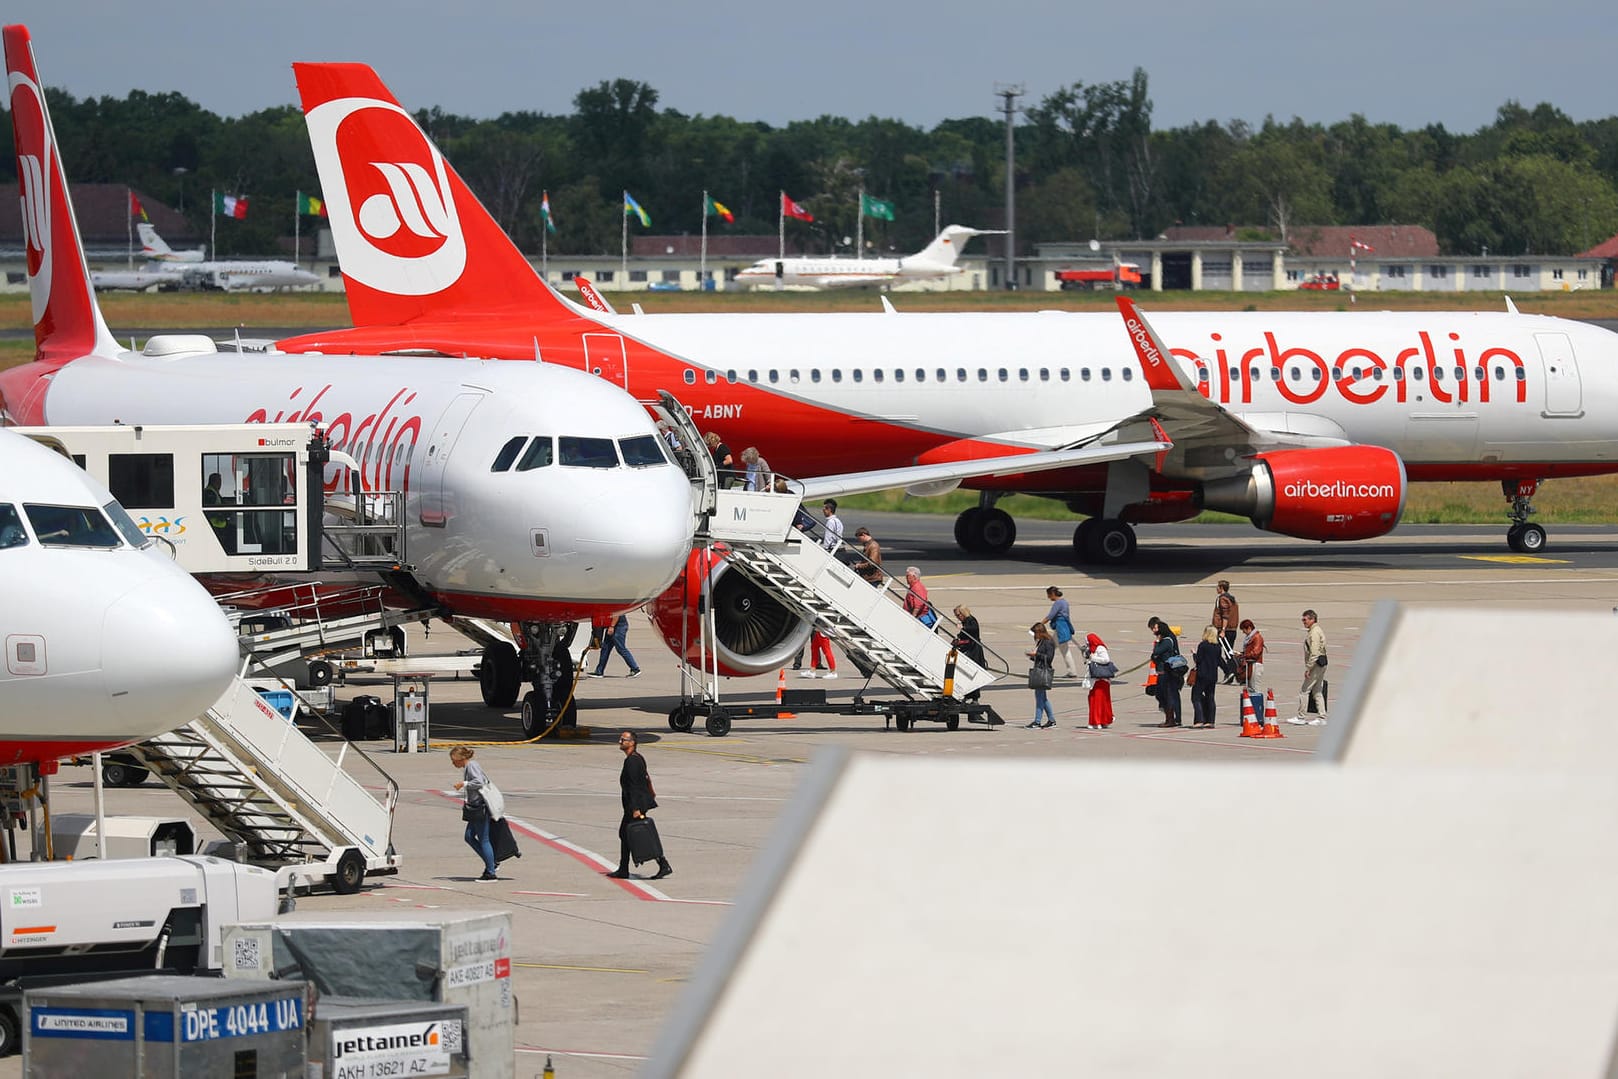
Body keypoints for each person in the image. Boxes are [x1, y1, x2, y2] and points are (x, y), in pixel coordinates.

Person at [606, 730, 672, 880]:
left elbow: (635, 785)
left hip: (635, 806)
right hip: (635, 804)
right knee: (627, 834)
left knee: (635, 834)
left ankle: (662, 864)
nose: (620, 742)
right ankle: (626, 868)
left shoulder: (632, 761)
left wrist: (636, 808)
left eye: (623, 739)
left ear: (632, 742)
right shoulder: (636, 758)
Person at [450, 746, 499, 882]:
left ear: (461, 758)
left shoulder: (471, 766)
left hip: (480, 807)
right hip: (474, 807)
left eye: (454, 760)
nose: (453, 763)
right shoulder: (469, 767)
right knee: (469, 836)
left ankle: (491, 871)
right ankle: (491, 863)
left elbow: (479, 782)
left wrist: (464, 784)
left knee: (484, 839)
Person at [1288, 609, 1328, 725]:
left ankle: (1301, 717)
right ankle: (1322, 717)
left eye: (1305, 620)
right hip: (1322, 663)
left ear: (1312, 619)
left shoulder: (1314, 632)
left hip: (1316, 664)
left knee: (1304, 691)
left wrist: (1308, 668)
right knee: (1317, 691)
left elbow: (1314, 652)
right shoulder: (1316, 630)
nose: (1303, 622)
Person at [1149, 616, 1184, 728]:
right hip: (1166, 671)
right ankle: (1172, 717)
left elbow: (1156, 652)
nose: (1155, 632)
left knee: (1168, 695)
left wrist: (1158, 642)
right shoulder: (1169, 639)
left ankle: (1172, 718)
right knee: (1169, 695)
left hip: (1167, 672)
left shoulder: (1166, 641)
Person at [589, 613, 642, 678]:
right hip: (612, 627)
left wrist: (612, 626)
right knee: (605, 648)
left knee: (621, 649)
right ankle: (599, 671)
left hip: (618, 627)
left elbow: (616, 614)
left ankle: (635, 669)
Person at [952, 605, 986, 704]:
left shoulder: (971, 620)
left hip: (974, 650)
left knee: (972, 673)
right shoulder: (966, 621)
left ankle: (974, 697)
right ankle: (966, 695)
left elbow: (973, 629)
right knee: (965, 674)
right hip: (969, 648)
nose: (957, 617)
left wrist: (963, 627)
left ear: (963, 613)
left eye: (958, 615)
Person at [1191, 626, 1223, 728]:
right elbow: (1219, 661)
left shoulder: (1203, 645)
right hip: (1213, 675)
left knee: (1196, 697)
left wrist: (1194, 654)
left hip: (1202, 675)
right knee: (1210, 697)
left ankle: (1199, 719)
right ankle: (1210, 720)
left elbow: (1199, 660)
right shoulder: (1217, 647)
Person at [1026, 622, 1056, 729]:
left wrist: (1036, 655)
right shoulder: (1042, 641)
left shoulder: (1048, 642)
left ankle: (1037, 721)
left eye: (1035, 633)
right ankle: (1051, 720)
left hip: (1043, 671)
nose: (1034, 636)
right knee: (1042, 697)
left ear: (1039, 632)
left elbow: (1049, 658)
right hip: (1039, 669)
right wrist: (1032, 656)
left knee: (1039, 697)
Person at [1044, 586, 1078, 678]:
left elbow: (1050, 616)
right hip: (1063, 627)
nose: (1048, 597)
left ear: (1053, 594)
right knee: (1050, 646)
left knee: (1064, 650)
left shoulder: (1058, 603)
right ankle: (1043, 663)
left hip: (1060, 629)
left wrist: (1040, 624)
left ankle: (1072, 672)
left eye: (1049, 595)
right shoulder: (1064, 602)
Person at [1084, 632, 1115, 730]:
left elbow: (1106, 659)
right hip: (1095, 679)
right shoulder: (1091, 649)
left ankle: (1099, 721)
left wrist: (1093, 658)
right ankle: (1098, 720)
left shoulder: (1100, 648)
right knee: (1093, 700)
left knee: (1100, 701)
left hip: (1102, 679)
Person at [1211, 580, 1240, 683]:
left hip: (1224, 630)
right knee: (1229, 652)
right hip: (1232, 629)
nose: (1216, 589)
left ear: (1221, 588)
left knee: (1217, 652)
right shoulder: (1232, 599)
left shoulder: (1222, 599)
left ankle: (1229, 671)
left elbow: (1225, 615)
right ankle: (1231, 673)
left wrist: (1222, 630)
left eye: (1217, 587)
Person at [1236, 618, 1265, 697]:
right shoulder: (1250, 637)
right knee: (1250, 688)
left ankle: (1257, 707)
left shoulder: (1257, 637)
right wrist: (1241, 654)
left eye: (1244, 630)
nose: (1243, 632)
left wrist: (1243, 655)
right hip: (1250, 664)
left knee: (1255, 688)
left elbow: (1256, 653)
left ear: (1249, 628)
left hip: (1256, 664)